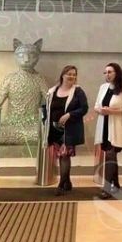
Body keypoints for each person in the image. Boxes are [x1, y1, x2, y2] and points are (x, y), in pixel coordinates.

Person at [93, 62, 122, 200]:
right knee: (111, 155)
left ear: (117, 73)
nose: (107, 75)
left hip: (116, 127)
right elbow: (96, 106)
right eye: (105, 72)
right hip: (104, 125)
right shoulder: (103, 87)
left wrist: (112, 111)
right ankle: (115, 185)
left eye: (110, 72)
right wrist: (101, 110)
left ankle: (107, 188)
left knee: (110, 155)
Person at [46, 65, 89, 196]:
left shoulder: (78, 91)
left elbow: (84, 108)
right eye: (69, 74)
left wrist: (69, 115)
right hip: (54, 130)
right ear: (62, 75)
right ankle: (67, 182)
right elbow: (47, 107)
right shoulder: (52, 91)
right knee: (61, 156)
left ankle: (61, 185)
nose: (72, 76)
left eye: (74, 74)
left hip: (69, 130)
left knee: (65, 156)